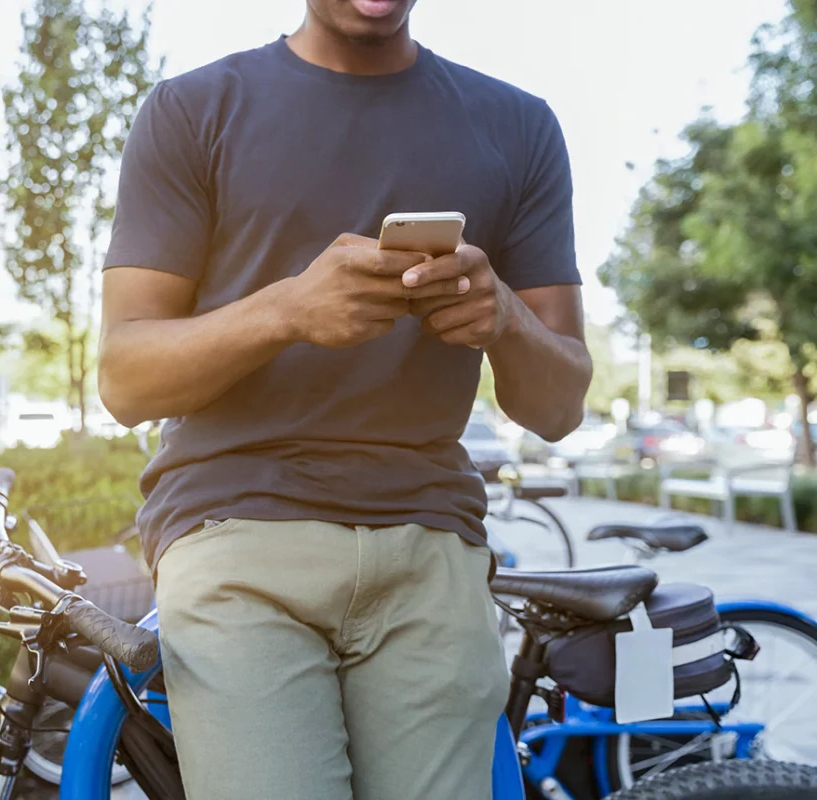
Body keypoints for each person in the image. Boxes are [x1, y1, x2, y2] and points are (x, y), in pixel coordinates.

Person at [97, 0, 592, 797]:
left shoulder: (518, 125)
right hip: (237, 534)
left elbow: (559, 406)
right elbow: (124, 379)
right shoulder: (192, 110)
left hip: (430, 545)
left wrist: (502, 317)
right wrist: (286, 311)